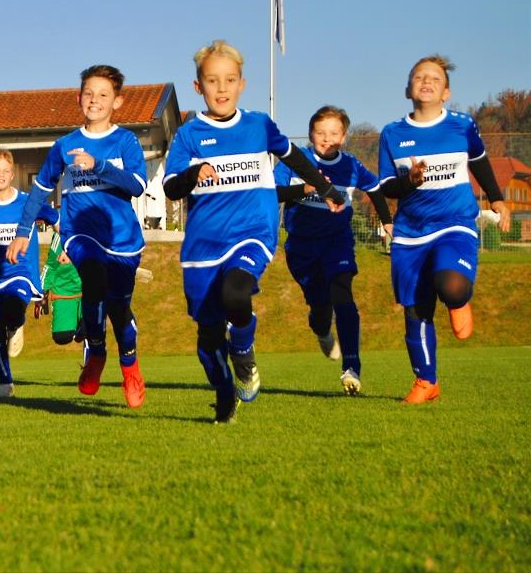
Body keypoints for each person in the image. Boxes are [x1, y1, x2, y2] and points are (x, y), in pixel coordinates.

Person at [163, 40, 346, 423]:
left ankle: (244, 357)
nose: (222, 88)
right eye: (212, 81)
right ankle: (224, 391)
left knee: (236, 292)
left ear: (242, 84)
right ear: (199, 87)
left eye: (229, 79)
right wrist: (192, 174)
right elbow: (170, 188)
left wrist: (326, 188)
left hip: (252, 230)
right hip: (203, 244)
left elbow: (292, 156)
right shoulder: (188, 135)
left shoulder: (259, 125)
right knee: (208, 339)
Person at [6, 64, 147, 409]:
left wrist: (99, 166)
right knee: (94, 281)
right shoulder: (65, 145)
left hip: (122, 239)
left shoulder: (125, 141)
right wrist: (23, 231)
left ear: (117, 102)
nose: (94, 100)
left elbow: (139, 185)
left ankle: (129, 362)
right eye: (88, 93)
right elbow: (40, 187)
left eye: (103, 94)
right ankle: (96, 352)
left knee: (118, 306)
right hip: (79, 234)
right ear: (79, 97)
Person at [378, 55, 510, 404]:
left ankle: (458, 300)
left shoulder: (461, 126)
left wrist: (497, 199)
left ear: (446, 92)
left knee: (450, 287)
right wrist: (410, 180)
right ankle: (426, 382)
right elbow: (386, 187)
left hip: (455, 224)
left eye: (434, 78)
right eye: (418, 76)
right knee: (416, 308)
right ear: (408, 89)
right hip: (410, 232)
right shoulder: (392, 134)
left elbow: (479, 161)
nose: (426, 81)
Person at [274, 106, 393, 395]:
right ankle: (322, 330)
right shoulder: (295, 161)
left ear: (344, 136)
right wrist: (303, 189)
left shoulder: (351, 166)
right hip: (302, 247)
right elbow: (272, 191)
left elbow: (375, 187)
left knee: (343, 295)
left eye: (334, 133)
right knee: (320, 309)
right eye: (321, 133)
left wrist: (387, 222)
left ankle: (351, 368)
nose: (327, 139)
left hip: (337, 242)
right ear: (311, 134)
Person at [0, 147, 58, 398]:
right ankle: (5, 381)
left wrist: (69, 244)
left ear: (12, 174)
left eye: (5, 171)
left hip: (21, 272)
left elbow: (56, 219)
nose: (0, 175)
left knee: (13, 307)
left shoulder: (27, 201)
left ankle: (17, 324)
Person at [36, 231, 85, 346]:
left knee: (93, 334)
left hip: (88, 291)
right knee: (62, 336)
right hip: (64, 294)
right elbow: (50, 266)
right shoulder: (61, 236)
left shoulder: (92, 228)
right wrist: (42, 292)